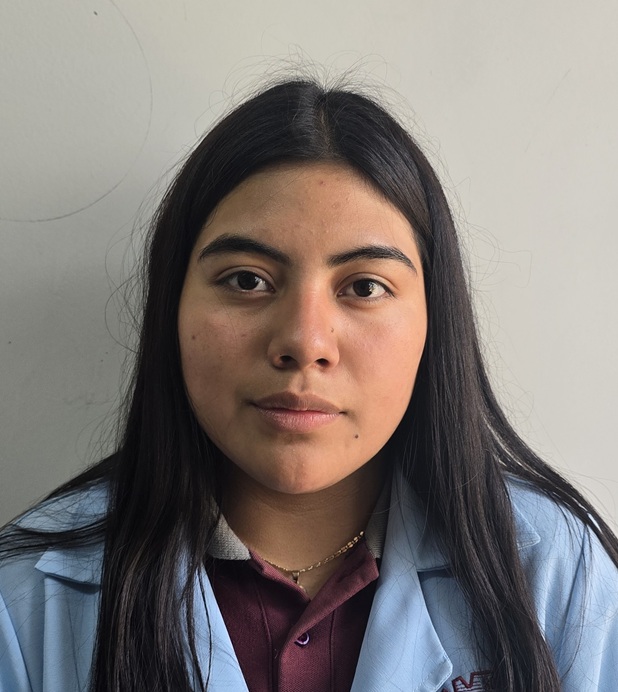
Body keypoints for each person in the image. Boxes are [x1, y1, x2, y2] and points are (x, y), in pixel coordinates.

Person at [1, 78, 617, 692]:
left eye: (365, 287)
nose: (305, 341)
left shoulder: (561, 576)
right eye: (247, 280)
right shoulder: (22, 601)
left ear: (435, 322)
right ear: (172, 308)